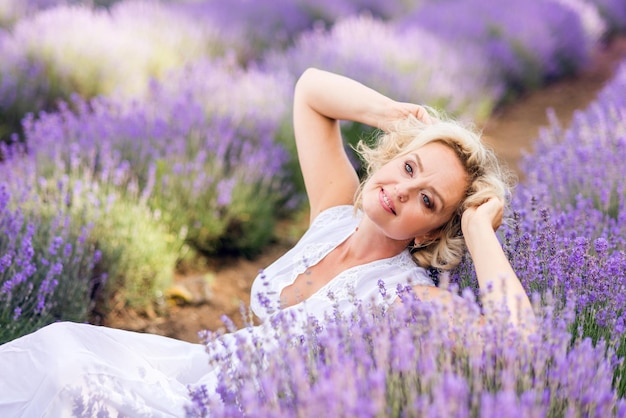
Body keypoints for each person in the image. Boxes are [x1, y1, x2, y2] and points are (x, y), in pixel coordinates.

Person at [0, 68, 535, 416]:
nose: (401, 190)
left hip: (232, 408)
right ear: (391, 154)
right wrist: (398, 116)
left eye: (428, 200)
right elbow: (311, 90)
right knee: (62, 361)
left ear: (430, 230)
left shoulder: (404, 294)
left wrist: (478, 232)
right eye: (408, 166)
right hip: (193, 378)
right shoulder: (334, 214)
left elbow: (521, 345)